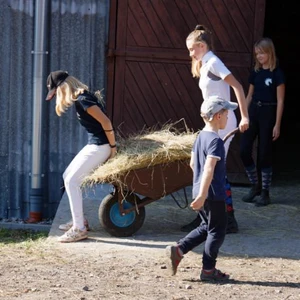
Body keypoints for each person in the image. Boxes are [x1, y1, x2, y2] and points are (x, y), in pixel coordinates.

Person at [181, 25, 250, 234]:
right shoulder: (204, 65)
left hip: (223, 122)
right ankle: (206, 214)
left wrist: (244, 115)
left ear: (202, 46)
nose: (191, 54)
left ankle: (226, 219)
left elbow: (237, 86)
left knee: (215, 168)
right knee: (196, 163)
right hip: (211, 122)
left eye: (192, 49)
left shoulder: (214, 63)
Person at [166, 95, 238, 281]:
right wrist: (204, 193)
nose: (228, 117)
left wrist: (199, 190)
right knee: (217, 231)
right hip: (213, 193)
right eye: (226, 113)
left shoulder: (200, 137)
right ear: (217, 116)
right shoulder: (215, 141)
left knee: (207, 226)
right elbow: (209, 168)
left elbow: (192, 163)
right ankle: (208, 270)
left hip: (202, 190)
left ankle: (179, 249)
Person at [45, 70, 117, 243]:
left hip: (101, 146)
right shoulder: (82, 98)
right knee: (67, 176)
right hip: (95, 144)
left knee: (72, 181)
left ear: (63, 87)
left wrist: (113, 147)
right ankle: (79, 220)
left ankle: (79, 229)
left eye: (56, 93)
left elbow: (106, 122)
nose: (56, 97)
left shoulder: (83, 100)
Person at [240, 38, 285, 206]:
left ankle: (265, 192)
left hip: (269, 112)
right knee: (244, 149)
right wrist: (244, 115)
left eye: (262, 53)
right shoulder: (256, 73)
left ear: (270, 53)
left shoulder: (277, 74)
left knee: (264, 153)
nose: (259, 56)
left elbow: (281, 100)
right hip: (254, 112)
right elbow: (250, 95)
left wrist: (277, 124)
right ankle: (255, 185)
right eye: (257, 53)